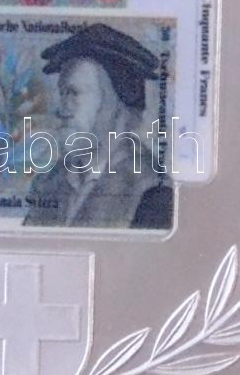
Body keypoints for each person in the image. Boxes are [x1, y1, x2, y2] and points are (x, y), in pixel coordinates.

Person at [24, 23, 174, 229]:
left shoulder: (153, 192)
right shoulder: (49, 183)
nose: (60, 110)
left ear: (116, 105)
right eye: (62, 94)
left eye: (74, 93)